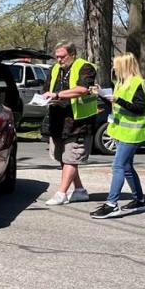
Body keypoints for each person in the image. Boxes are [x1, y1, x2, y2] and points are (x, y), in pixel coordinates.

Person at [90, 53, 145, 218]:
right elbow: (118, 105)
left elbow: (139, 108)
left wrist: (117, 100)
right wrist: (101, 94)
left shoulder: (137, 83)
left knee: (118, 167)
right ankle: (139, 200)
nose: (114, 68)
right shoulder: (121, 83)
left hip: (133, 133)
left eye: (116, 65)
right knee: (127, 167)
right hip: (123, 132)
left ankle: (112, 204)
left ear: (124, 66)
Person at [41, 41, 98, 206]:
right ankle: (79, 190)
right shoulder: (54, 69)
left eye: (62, 56)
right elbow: (46, 90)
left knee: (71, 158)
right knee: (63, 157)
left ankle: (61, 193)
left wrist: (57, 95)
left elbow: (83, 89)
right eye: (57, 56)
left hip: (79, 121)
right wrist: (45, 97)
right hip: (58, 120)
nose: (59, 60)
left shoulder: (85, 67)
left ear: (72, 54)